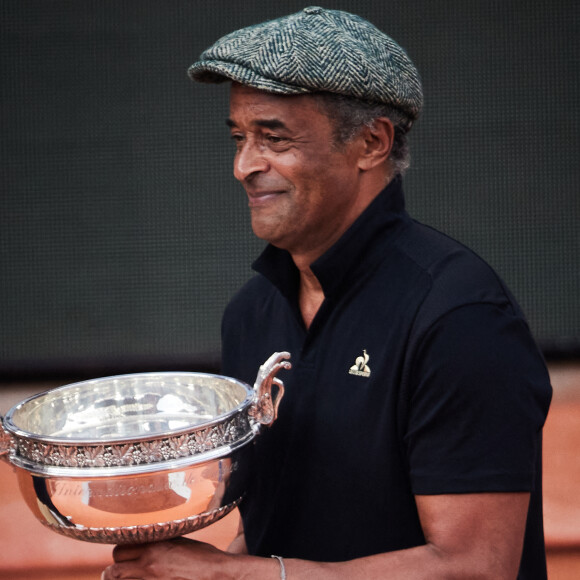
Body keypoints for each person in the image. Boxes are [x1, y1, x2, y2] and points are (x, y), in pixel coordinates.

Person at [102, 7, 552, 579]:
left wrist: (229, 575)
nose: (244, 165)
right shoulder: (251, 315)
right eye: (239, 137)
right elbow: (271, 533)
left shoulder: (459, 315)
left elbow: (475, 567)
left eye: (274, 137)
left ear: (371, 143)